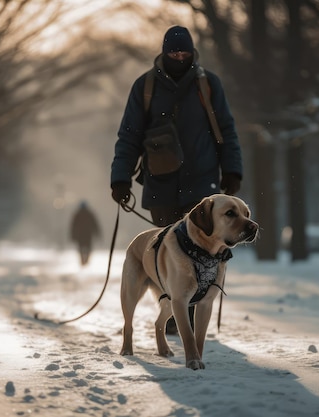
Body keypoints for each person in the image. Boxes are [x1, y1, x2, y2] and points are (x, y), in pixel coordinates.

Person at [110, 25, 243, 333]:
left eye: (184, 52)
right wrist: (120, 179)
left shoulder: (208, 84)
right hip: (160, 183)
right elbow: (128, 136)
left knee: (207, 247)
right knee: (168, 252)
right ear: (164, 52)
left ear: (192, 51)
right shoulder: (145, 86)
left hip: (203, 184)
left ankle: (196, 314)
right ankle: (172, 311)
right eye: (173, 52)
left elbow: (227, 130)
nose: (179, 56)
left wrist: (232, 170)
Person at [69, 201, 101, 266]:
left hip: (80, 235)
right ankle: (86, 260)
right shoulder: (89, 214)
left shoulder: (77, 214)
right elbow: (95, 224)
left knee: (81, 248)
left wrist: (73, 235)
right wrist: (97, 233)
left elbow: (73, 226)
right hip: (87, 234)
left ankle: (82, 261)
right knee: (88, 247)